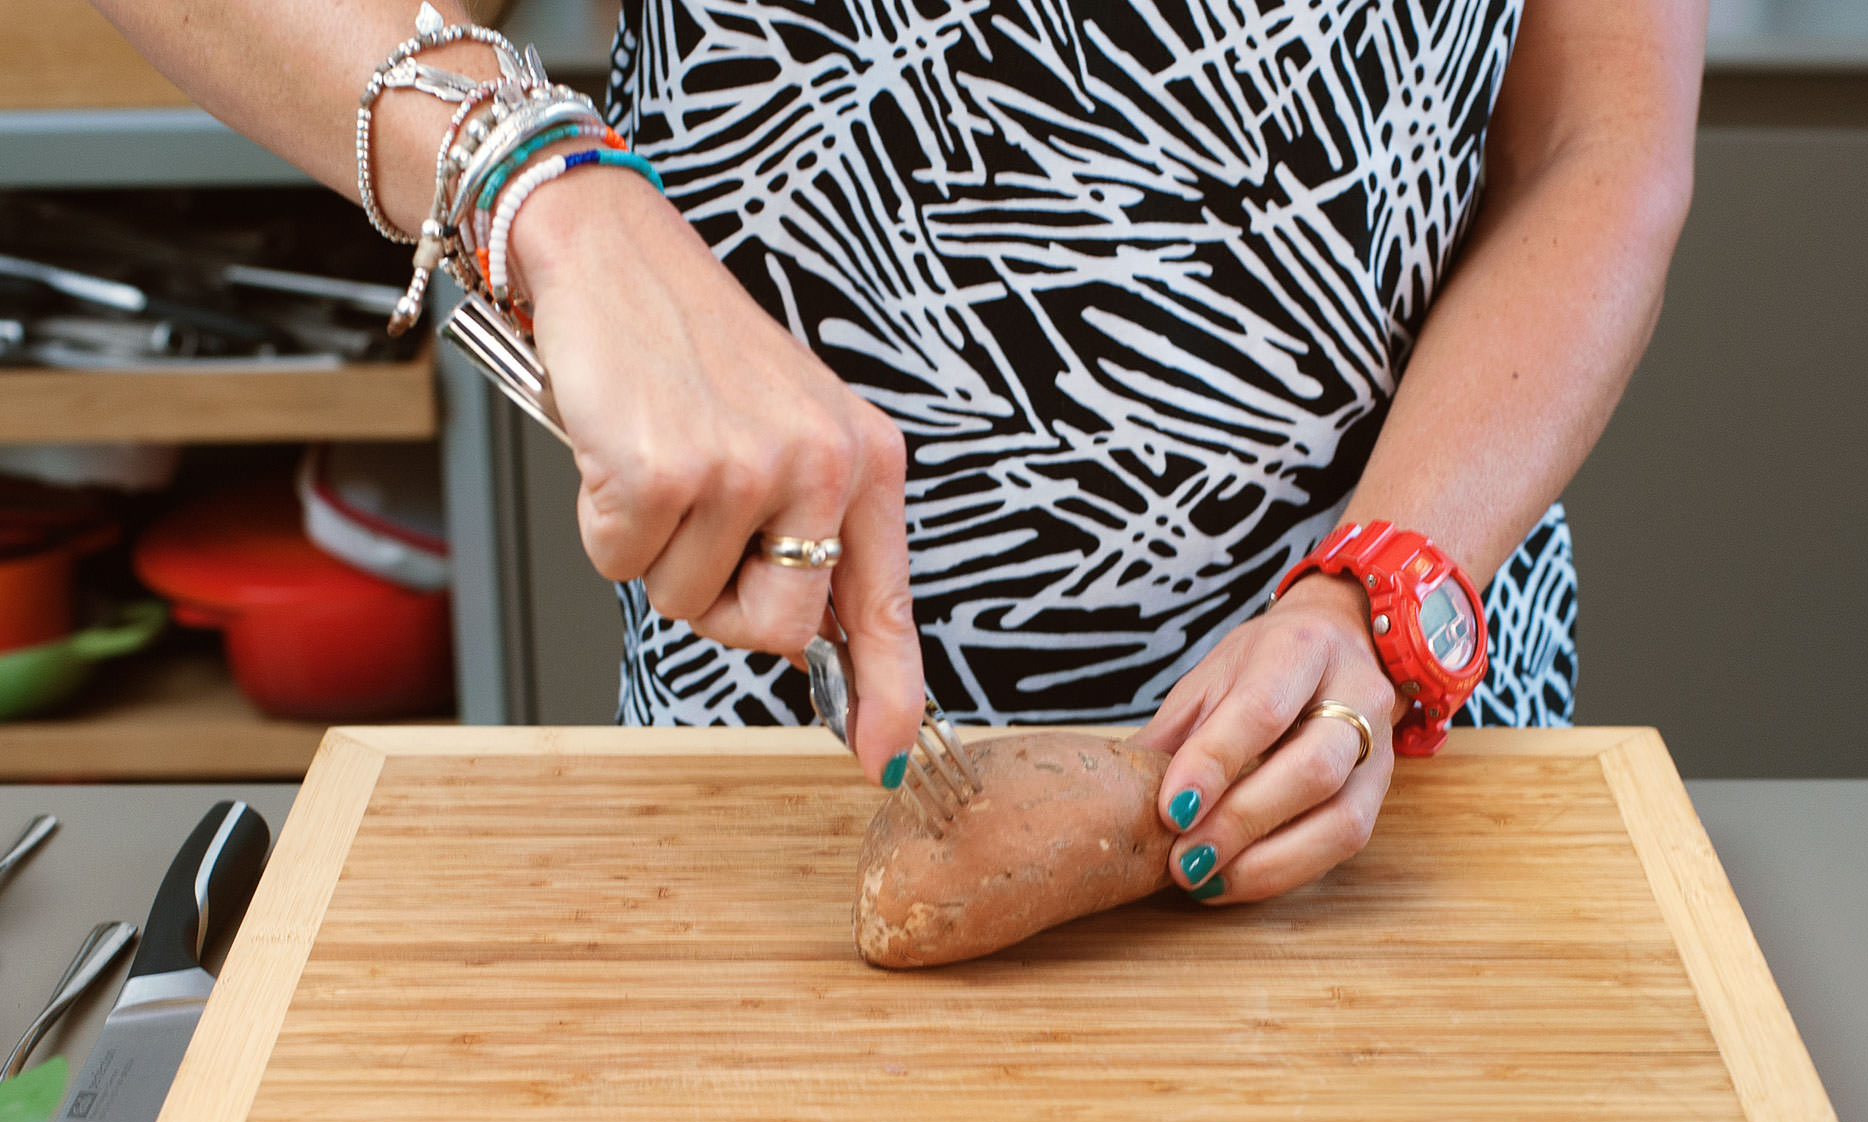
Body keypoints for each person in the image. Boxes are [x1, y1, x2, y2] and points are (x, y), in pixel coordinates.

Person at [98, 0, 1706, 904]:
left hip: (1371, 745)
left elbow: (1599, 143)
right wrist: (535, 187)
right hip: (766, 769)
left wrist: (1387, 587)